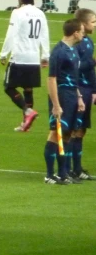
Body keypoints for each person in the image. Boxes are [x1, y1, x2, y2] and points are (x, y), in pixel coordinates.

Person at [0, 0, 50, 132]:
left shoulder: (17, 12)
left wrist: (3, 53)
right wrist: (45, 56)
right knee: (28, 89)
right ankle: (25, 124)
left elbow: (11, 34)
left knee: (9, 87)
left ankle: (28, 112)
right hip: (33, 58)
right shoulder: (40, 13)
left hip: (19, 57)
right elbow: (44, 35)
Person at [43, 19, 86, 185]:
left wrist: (79, 97)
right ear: (75, 32)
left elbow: (73, 78)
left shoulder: (73, 50)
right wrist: (55, 104)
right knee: (56, 133)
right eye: (81, 31)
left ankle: (62, 173)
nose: (83, 34)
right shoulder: (58, 52)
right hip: (61, 96)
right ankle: (49, 175)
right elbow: (52, 79)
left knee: (67, 133)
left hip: (72, 96)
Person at [69, 9, 95, 181]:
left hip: (87, 90)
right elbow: (76, 67)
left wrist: (94, 90)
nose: (95, 25)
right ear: (84, 24)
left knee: (82, 130)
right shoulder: (77, 44)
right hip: (77, 90)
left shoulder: (89, 41)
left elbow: (91, 69)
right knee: (74, 130)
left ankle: (78, 169)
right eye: (93, 22)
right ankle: (69, 168)